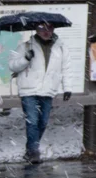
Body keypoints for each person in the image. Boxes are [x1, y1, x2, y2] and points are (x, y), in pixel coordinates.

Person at [11, 21, 60, 166]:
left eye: (49, 28)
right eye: (42, 28)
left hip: (47, 90)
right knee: (32, 120)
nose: (46, 31)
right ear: (36, 30)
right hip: (28, 90)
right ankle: (33, 151)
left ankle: (30, 149)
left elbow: (65, 67)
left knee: (43, 121)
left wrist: (67, 86)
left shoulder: (58, 48)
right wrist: (25, 58)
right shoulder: (24, 46)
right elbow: (12, 65)